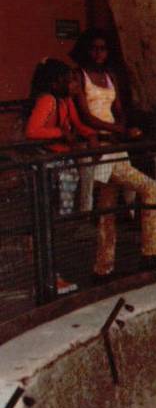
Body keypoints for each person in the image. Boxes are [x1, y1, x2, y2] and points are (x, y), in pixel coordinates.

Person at [68, 29, 156, 277]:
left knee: (107, 209)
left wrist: (124, 126)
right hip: (98, 145)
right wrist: (115, 128)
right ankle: (151, 251)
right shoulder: (79, 76)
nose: (99, 53)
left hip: (114, 145)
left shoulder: (110, 76)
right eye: (94, 48)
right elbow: (85, 115)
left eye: (103, 49)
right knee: (151, 188)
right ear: (86, 50)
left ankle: (103, 267)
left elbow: (119, 107)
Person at [23, 58, 96, 294]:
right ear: (56, 84)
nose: (75, 84)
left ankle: (49, 276)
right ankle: (46, 278)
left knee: (55, 223)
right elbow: (33, 130)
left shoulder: (65, 102)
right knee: (46, 223)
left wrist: (90, 134)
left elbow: (77, 124)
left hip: (61, 168)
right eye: (70, 80)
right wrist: (60, 134)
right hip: (50, 170)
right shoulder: (48, 100)